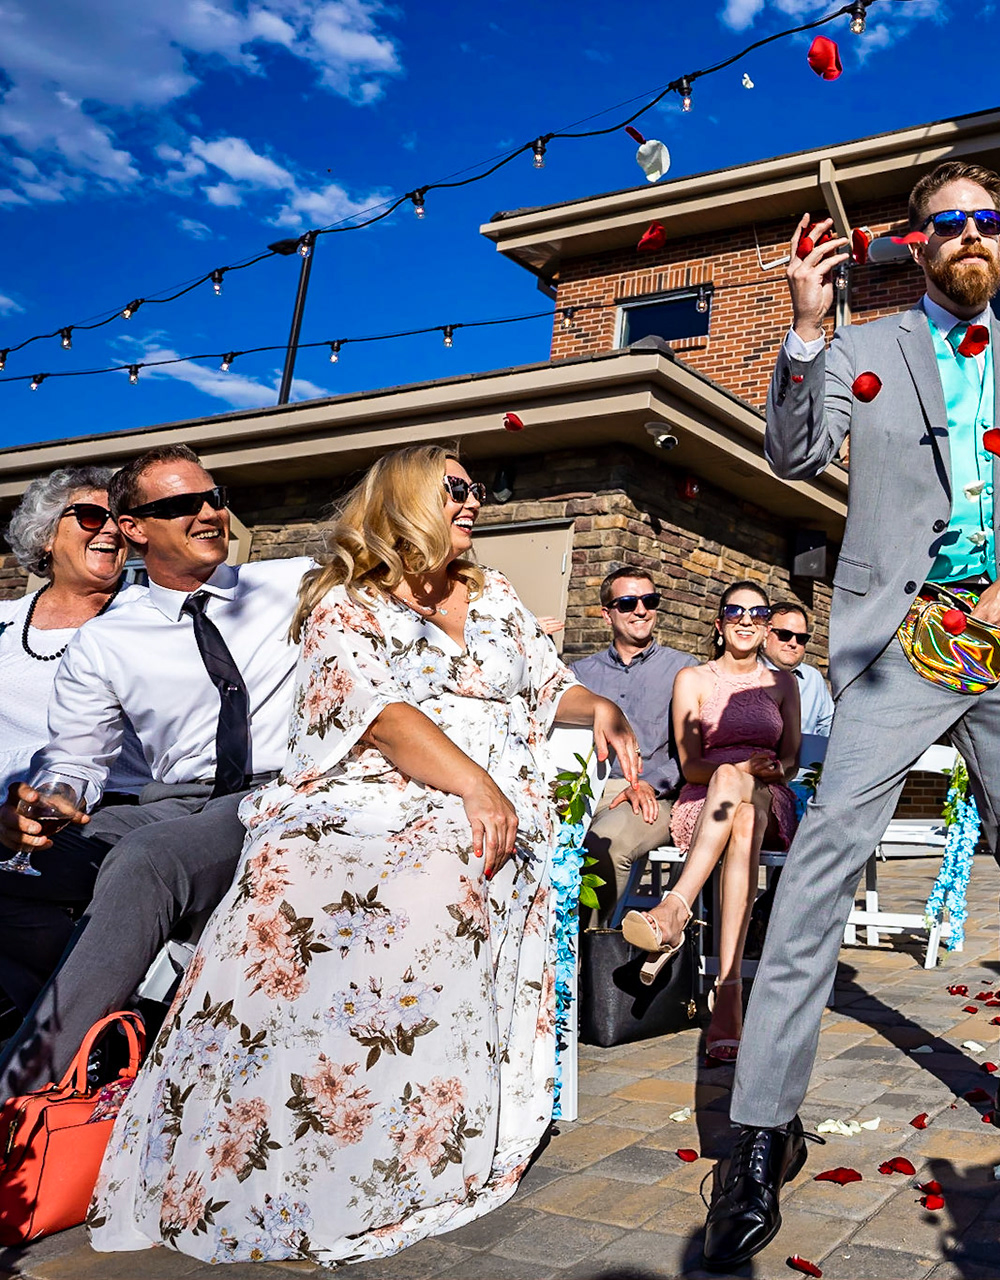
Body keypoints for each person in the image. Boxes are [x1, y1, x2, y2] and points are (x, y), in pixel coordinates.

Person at [700, 160, 1000, 1271]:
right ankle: (762, 1129)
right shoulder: (864, 345)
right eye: (949, 221)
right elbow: (794, 453)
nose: (971, 234)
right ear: (916, 242)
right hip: (898, 639)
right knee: (821, 869)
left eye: (987, 221)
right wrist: (807, 331)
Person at [89, 445, 639, 1265]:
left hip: (484, 797)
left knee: (445, 861)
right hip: (383, 782)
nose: (474, 502)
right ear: (407, 498)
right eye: (455, 489)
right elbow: (376, 715)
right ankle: (283, 1119)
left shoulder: (494, 594)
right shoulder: (348, 602)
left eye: (475, 489)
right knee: (309, 865)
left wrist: (599, 708)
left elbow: (546, 681)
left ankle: (404, 1126)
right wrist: (473, 784)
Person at [0, 446, 310, 1103]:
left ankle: (20, 1091)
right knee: (12, 866)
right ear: (135, 526)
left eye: (213, 498)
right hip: (174, 799)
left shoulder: (295, 583)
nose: (209, 513)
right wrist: (48, 803)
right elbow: (77, 758)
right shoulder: (108, 639)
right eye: (181, 505)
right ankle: (108, 1040)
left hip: (278, 792)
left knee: (147, 858)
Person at [621, 581, 799, 1062]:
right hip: (706, 801)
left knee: (745, 801)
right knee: (738, 812)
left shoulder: (783, 684)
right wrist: (736, 769)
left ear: (766, 628)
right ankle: (730, 989)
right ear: (719, 624)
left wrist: (770, 771)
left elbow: (792, 760)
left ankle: (676, 907)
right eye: (735, 611)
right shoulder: (692, 679)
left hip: (769, 797)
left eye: (758, 613)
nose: (747, 620)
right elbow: (690, 764)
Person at [0, 466, 144, 1030]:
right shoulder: (4, 624)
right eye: (89, 516)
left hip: (98, 813)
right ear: (44, 536)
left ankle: (76, 1032)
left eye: (120, 519)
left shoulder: (148, 619)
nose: (109, 528)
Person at [570, 565, 699, 928]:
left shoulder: (684, 670)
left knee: (605, 843)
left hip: (650, 794)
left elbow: (690, 750)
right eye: (628, 603)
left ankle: (587, 948)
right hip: (585, 790)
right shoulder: (579, 674)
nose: (641, 610)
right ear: (606, 614)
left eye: (649, 601)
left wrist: (649, 785)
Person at [762, 600, 832, 766]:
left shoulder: (813, 679)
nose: (793, 643)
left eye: (801, 638)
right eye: (784, 635)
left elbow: (830, 729)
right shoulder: (746, 673)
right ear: (766, 632)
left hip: (803, 775)